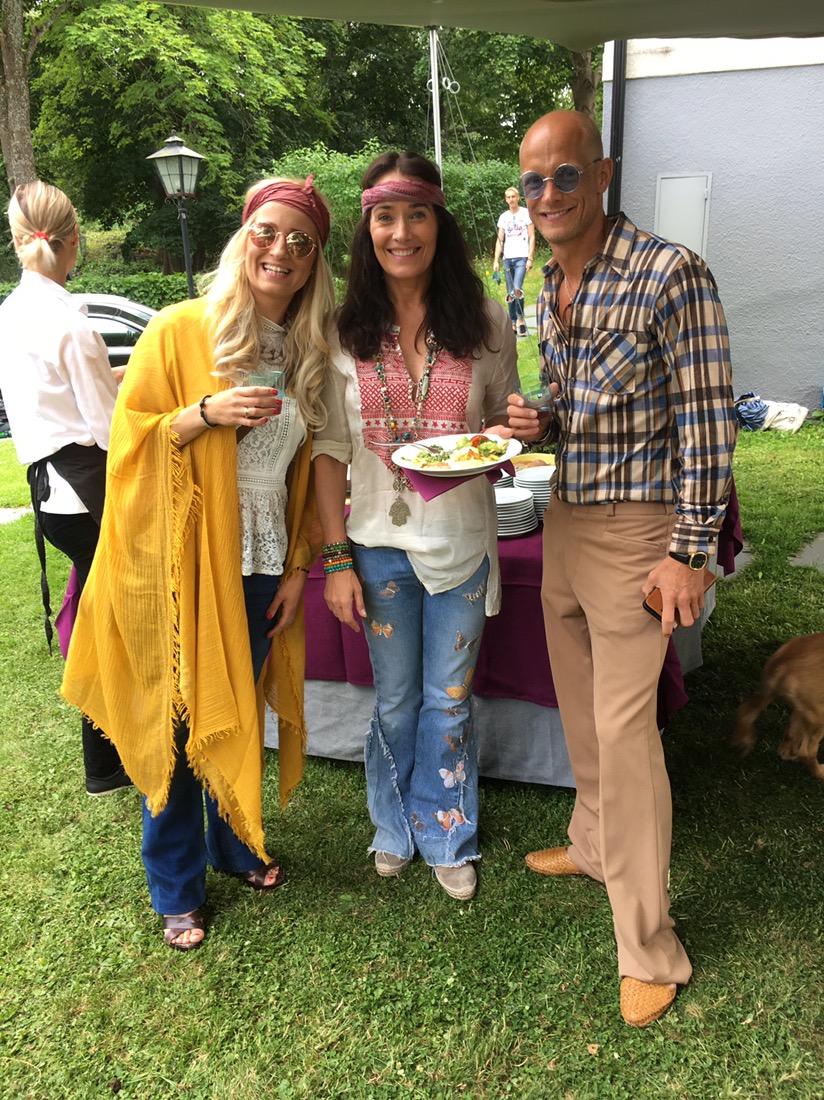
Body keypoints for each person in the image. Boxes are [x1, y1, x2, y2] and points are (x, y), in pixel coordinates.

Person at [503, 111, 736, 1026]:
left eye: (565, 175)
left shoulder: (671, 273)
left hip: (641, 533)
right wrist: (543, 419)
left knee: (626, 732)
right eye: (534, 181)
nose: (549, 194)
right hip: (567, 516)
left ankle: (651, 949)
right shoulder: (552, 282)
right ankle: (595, 845)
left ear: (602, 175)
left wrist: (690, 551)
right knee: (581, 707)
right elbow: (577, 402)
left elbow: (710, 422)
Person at [62, 176, 335, 950]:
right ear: (244, 238)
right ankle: (176, 882)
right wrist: (204, 414)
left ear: (314, 263)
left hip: (261, 560)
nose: (281, 250)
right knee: (178, 719)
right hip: (184, 558)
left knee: (236, 706)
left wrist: (296, 567)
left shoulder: (309, 352)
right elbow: (127, 442)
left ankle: (236, 842)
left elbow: (303, 475)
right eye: (267, 232)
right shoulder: (182, 329)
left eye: (301, 241)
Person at [313, 152, 518, 901]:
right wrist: (336, 561)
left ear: (440, 223)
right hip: (375, 547)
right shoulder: (342, 331)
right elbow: (330, 450)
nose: (401, 232)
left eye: (417, 214)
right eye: (385, 217)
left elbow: (500, 421)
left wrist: (510, 431)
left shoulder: (487, 320)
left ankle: (448, 831)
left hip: (461, 545)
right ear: (367, 229)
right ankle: (395, 827)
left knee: (449, 699)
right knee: (395, 700)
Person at [0, 181, 129, 796]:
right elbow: (107, 426)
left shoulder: (11, 312)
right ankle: (108, 758)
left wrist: (118, 375)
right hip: (86, 490)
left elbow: (58, 398)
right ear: (73, 240)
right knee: (114, 625)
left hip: (53, 494)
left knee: (99, 617)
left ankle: (106, 761)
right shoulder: (70, 324)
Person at [492, 186, 535, 338]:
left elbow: (532, 236)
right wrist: (496, 260)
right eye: (508, 197)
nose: (511, 199)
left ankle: (521, 319)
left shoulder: (526, 214)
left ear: (518, 198)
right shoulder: (503, 217)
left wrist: (530, 257)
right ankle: (513, 322)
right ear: (506, 200)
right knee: (510, 292)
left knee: (517, 288)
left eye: (513, 196)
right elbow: (500, 240)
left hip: (521, 257)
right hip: (507, 259)